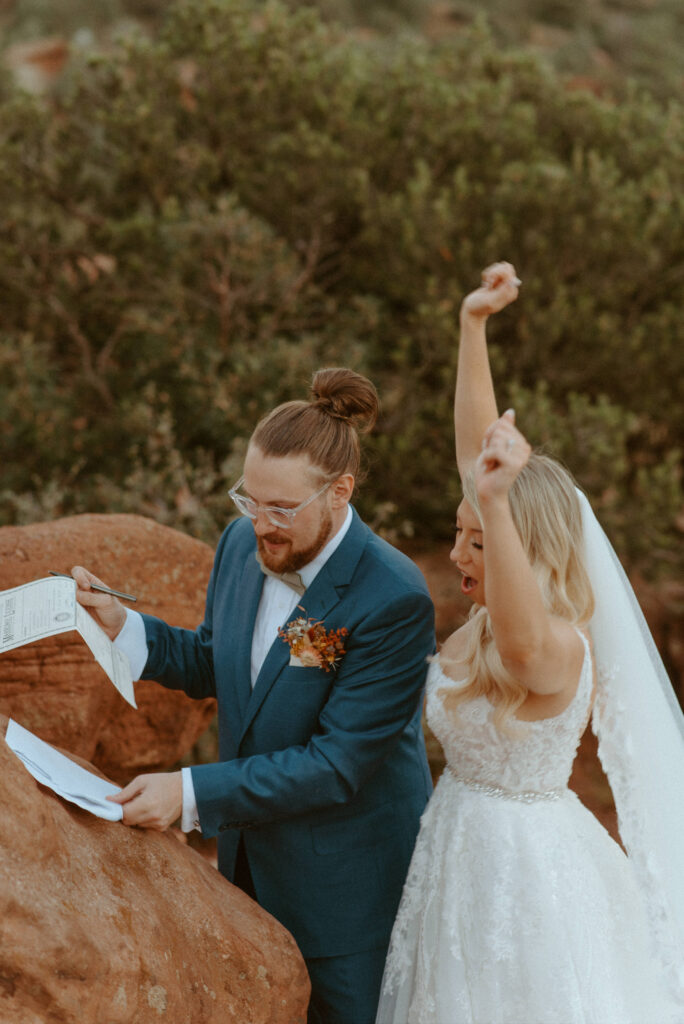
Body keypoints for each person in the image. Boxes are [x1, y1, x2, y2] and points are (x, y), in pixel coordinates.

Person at [73, 367, 435, 1024]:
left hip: (345, 900)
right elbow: (223, 662)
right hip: (247, 873)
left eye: (281, 509)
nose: (261, 524)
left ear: (340, 492)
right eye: (250, 500)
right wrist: (124, 627)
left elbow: (335, 766)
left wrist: (188, 794)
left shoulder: (394, 598)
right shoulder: (241, 544)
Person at [375, 263, 684, 1023]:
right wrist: (472, 327)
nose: (456, 554)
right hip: (459, 853)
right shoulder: (490, 611)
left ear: (527, 545)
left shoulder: (552, 647)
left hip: (527, 885)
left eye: (476, 541)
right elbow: (473, 450)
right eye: (459, 534)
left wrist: (494, 506)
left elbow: (516, 649)